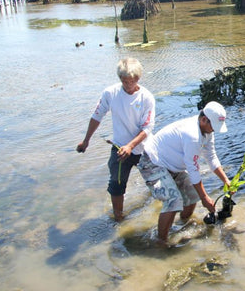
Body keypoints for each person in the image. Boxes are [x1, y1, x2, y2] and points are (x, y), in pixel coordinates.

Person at [138, 101, 231, 245]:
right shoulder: (192, 135)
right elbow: (193, 169)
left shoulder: (206, 130)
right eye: (213, 126)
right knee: (174, 200)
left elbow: (211, 157)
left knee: (192, 196)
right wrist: (205, 198)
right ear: (203, 119)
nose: (214, 130)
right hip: (152, 162)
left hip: (173, 166)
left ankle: (181, 224)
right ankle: (160, 242)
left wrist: (226, 181)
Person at [76, 58, 155, 222]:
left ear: (138, 78)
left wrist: (131, 145)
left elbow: (147, 128)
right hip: (120, 147)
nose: (128, 85)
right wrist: (86, 140)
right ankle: (119, 218)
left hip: (143, 148)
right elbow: (97, 116)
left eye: (132, 81)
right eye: (124, 81)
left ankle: (155, 209)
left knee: (157, 183)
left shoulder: (147, 97)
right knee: (116, 185)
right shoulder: (110, 93)